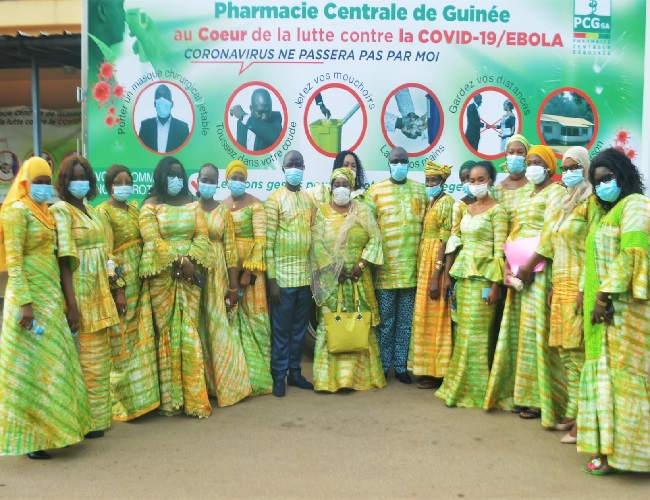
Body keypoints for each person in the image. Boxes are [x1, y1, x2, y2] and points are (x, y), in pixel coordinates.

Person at [0, 157, 91, 460]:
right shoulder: (15, 212)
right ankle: (33, 439)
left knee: (56, 364)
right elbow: (14, 260)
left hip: (51, 296)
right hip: (28, 302)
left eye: (46, 181)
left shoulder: (46, 213)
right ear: (25, 182)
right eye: (37, 181)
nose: (43, 187)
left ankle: (58, 430)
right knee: (30, 369)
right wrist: (25, 305)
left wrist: (66, 301)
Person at [517, 147, 602, 443]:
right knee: (566, 352)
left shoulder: (592, 202)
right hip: (560, 283)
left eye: (573, 166)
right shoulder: (567, 201)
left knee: (579, 354)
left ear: (586, 168)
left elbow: (593, 250)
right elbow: (553, 245)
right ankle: (572, 411)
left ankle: (583, 421)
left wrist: (583, 289)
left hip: (581, 284)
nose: (568, 172)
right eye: (564, 168)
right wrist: (554, 285)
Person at [578, 148, 649, 475]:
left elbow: (631, 255)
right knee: (607, 379)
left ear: (624, 175)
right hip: (603, 312)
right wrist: (587, 294)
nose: (603, 184)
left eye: (609, 177)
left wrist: (604, 297)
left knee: (625, 381)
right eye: (598, 181)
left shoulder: (636, 205)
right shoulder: (608, 212)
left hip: (625, 311)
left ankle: (627, 454)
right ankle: (608, 448)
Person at [485, 145, 567, 426]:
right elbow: (515, 231)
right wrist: (509, 265)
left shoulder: (555, 192)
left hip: (539, 272)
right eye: (528, 161)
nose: (530, 166)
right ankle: (517, 392)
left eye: (536, 162)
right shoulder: (529, 194)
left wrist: (530, 267)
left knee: (535, 333)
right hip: (520, 270)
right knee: (517, 334)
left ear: (548, 167)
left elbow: (551, 232)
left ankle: (538, 398)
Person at [50, 156, 121, 438]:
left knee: (100, 361)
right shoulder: (61, 211)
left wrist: (117, 288)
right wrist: (73, 306)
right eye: (74, 177)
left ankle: (98, 419)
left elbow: (106, 254)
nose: (80, 182)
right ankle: (84, 420)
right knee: (85, 361)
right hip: (79, 291)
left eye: (85, 177)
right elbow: (65, 261)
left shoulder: (93, 211)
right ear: (65, 182)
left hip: (100, 290)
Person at [139, 156, 211, 417]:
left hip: (190, 278)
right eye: (171, 174)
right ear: (161, 176)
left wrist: (190, 262)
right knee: (167, 333)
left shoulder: (194, 205)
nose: (176, 178)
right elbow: (151, 239)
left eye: (180, 174)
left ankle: (193, 399)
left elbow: (202, 236)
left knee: (189, 332)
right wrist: (179, 261)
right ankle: (170, 401)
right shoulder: (150, 206)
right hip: (163, 278)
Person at [437, 161, 507, 407]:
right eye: (472, 180)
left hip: (484, 281)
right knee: (463, 336)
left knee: (478, 338)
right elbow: (455, 243)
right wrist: (448, 276)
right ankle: (457, 387)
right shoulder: (465, 210)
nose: (476, 184)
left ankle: (477, 393)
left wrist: (497, 286)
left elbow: (500, 251)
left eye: (481, 179)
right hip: (463, 280)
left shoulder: (498, 211)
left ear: (490, 181)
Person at [310, 168, 385, 392]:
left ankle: (358, 378)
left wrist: (361, 265)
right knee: (332, 326)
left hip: (358, 279)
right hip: (332, 281)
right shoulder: (322, 212)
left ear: (352, 188)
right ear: (330, 188)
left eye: (345, 184)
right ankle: (330, 380)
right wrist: (334, 267)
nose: (340, 188)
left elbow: (375, 240)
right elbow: (316, 243)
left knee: (360, 325)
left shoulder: (363, 211)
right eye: (336, 184)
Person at [96, 165, 160, 421]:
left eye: (128, 181)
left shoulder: (135, 209)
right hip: (123, 287)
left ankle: (144, 399)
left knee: (142, 339)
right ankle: (122, 403)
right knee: (122, 340)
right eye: (118, 182)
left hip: (142, 283)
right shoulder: (103, 212)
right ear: (109, 185)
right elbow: (108, 256)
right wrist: (118, 289)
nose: (124, 185)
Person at [368, 147, 428, 383]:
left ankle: (401, 366)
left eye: (404, 160)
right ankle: (383, 366)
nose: (399, 164)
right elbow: (370, 231)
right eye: (395, 161)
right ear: (389, 163)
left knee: (405, 323)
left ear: (409, 163)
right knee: (385, 323)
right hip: (385, 272)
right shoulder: (376, 192)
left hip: (412, 271)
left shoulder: (420, 191)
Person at [196, 163, 252, 406]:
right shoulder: (188, 210)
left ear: (218, 183)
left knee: (219, 329)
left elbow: (230, 252)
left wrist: (232, 288)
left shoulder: (223, 213)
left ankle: (226, 385)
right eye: (204, 178)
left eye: (212, 179)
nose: (207, 182)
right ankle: (201, 386)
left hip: (217, 277)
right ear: (197, 180)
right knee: (197, 330)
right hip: (194, 277)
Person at [222, 160, 273, 396]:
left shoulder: (255, 205)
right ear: (227, 180)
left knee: (255, 321)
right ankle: (236, 376)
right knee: (232, 320)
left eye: (242, 179)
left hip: (252, 274)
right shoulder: (222, 206)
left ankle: (258, 378)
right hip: (227, 271)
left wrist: (248, 272)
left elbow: (261, 240)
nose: (238, 183)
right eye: (234, 178)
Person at [265, 150, 314, 397]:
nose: (294, 168)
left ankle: (295, 373)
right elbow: (268, 243)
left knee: (299, 330)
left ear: (304, 168)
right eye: (290, 165)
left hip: (304, 279)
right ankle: (278, 375)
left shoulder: (308, 200)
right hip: (282, 280)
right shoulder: (274, 200)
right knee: (281, 330)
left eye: (298, 164)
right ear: (283, 169)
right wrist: (271, 280)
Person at [408, 161, 454, 389]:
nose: (430, 184)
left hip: (435, 263)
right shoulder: (430, 202)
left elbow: (445, 241)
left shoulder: (447, 203)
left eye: (434, 180)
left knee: (437, 318)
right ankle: (425, 369)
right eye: (427, 181)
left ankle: (437, 372)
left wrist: (437, 274)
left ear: (443, 182)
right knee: (424, 316)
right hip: (424, 263)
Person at [492, 134, 534, 233]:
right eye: (511, 152)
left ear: (527, 156)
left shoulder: (536, 184)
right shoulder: (497, 190)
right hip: (504, 244)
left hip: (529, 243)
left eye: (520, 152)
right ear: (505, 156)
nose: (515, 156)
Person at [305, 150, 373, 211]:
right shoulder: (325, 191)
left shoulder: (363, 195)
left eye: (353, 166)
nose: (350, 169)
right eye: (346, 165)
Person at [138, 84, 190, 154]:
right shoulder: (145, 126)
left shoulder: (182, 128)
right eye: (159, 96)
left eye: (166, 97)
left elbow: (186, 153)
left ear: (172, 104)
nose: (162, 99)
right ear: (154, 104)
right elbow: (140, 152)